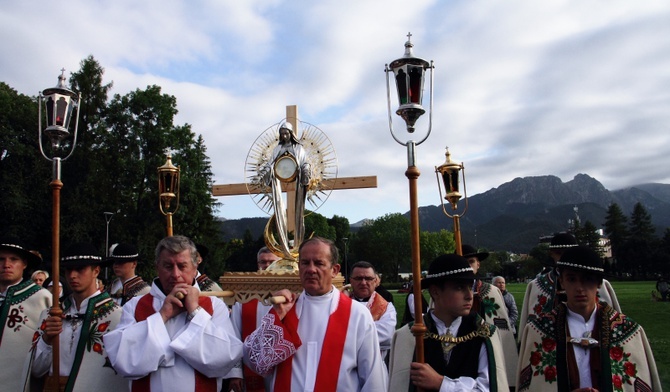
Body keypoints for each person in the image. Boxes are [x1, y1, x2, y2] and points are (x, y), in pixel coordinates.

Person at [243, 236, 388, 391]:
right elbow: (253, 360)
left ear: (334, 270)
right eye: (305, 263)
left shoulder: (357, 314)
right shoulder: (285, 309)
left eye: (319, 263)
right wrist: (276, 317)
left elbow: (373, 378)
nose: (311, 269)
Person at [104, 235, 242, 391]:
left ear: (195, 267)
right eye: (168, 266)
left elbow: (225, 358)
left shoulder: (214, 305)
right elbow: (123, 361)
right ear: (157, 267)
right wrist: (162, 316)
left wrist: (195, 312)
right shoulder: (135, 306)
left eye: (182, 266)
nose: (175, 274)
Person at [517, 246, 661, 391]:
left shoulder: (629, 333)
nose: (579, 288)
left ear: (599, 283)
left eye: (588, 279)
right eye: (572, 279)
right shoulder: (538, 332)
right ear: (561, 282)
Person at [388, 254, 509, 391]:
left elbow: (488, 388)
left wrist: (441, 383)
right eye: (459, 288)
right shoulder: (408, 337)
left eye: (470, 287)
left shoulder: (484, 334)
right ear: (435, 292)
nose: (469, 296)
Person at [28, 243, 126, 391]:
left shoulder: (117, 317)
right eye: (68, 270)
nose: (72, 275)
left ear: (96, 271)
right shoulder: (51, 314)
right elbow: (36, 369)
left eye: (80, 269)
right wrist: (46, 339)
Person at [518, 233, 621, 335]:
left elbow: (615, 325)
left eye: (568, 252)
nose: (564, 257)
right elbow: (529, 330)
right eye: (559, 253)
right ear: (551, 254)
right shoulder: (536, 286)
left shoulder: (602, 285)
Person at [462, 244, 518, 387]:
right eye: (463, 262)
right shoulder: (446, 293)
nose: (468, 266)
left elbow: (502, 328)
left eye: (471, 262)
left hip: (487, 351)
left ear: (478, 264)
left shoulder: (492, 292)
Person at [0, 238, 52, 392]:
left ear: (25, 263)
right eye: (1, 259)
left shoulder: (41, 298)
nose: (6, 265)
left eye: (13, 259)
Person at [227, 247, 281, 392]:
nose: (267, 266)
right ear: (257, 265)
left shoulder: (293, 296)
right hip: (251, 369)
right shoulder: (244, 298)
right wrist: (235, 373)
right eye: (263, 262)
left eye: (272, 262)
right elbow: (234, 337)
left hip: (282, 367)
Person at [261, 122, 311, 259]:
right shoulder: (278, 149)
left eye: (286, 132)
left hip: (298, 180)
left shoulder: (299, 148)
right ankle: (285, 247)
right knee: (279, 211)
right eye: (282, 133)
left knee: (298, 212)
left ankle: (297, 248)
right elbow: (271, 163)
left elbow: (304, 162)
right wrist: (266, 170)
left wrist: (305, 172)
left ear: (291, 134)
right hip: (279, 180)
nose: (284, 135)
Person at [348, 261, 397, 363]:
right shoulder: (339, 304)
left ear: (375, 281)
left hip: (375, 365)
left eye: (368, 279)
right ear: (351, 281)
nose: (363, 282)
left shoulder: (387, 308)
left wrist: (347, 333)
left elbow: (387, 336)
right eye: (358, 278)